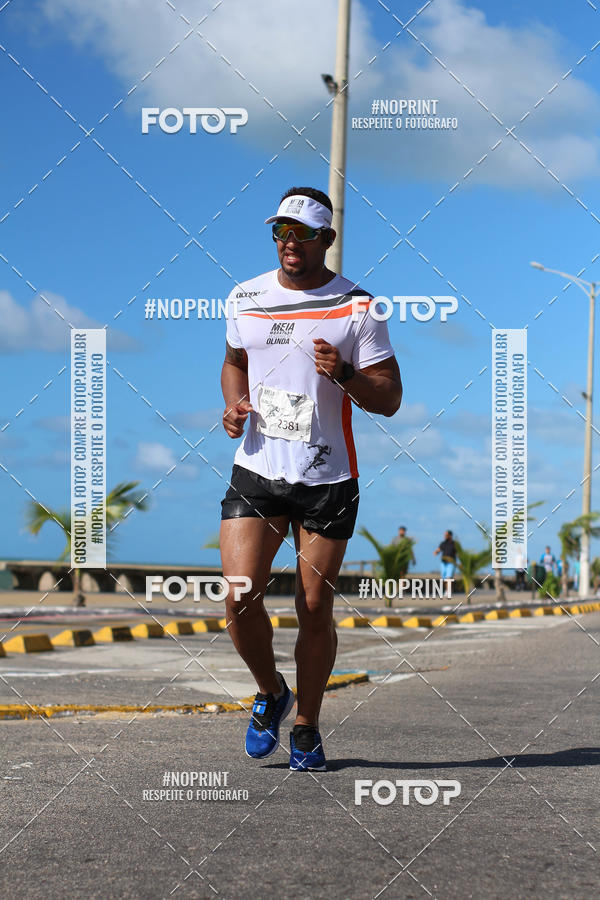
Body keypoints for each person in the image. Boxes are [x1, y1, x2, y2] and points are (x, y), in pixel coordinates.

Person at [219, 186, 402, 772]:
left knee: (314, 604)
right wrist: (233, 404)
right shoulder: (245, 296)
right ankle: (272, 691)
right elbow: (234, 362)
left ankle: (306, 726)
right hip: (258, 468)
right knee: (238, 597)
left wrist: (345, 371)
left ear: (326, 239)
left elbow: (390, 399)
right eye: (280, 232)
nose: (288, 243)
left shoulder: (358, 306)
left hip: (327, 476)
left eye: (301, 233)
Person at [434, 530, 457, 596]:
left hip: (451, 563)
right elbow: (439, 549)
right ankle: (447, 590)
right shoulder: (443, 543)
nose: (445, 536)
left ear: (450, 535)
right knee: (444, 578)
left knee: (449, 577)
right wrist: (436, 552)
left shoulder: (454, 544)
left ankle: (448, 591)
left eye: (446, 535)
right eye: (444, 535)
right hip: (443, 563)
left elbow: (458, 553)